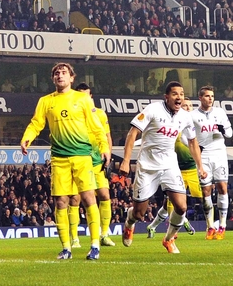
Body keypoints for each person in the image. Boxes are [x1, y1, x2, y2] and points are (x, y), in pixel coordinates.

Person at [20, 63, 107, 261]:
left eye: (64, 73)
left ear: (71, 78)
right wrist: (27, 138)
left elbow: (96, 126)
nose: (60, 75)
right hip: (59, 158)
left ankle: (94, 245)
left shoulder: (83, 99)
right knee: (61, 201)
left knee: (88, 198)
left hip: (82, 156)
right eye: (57, 73)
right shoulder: (45, 101)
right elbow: (36, 123)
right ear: (53, 79)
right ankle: (66, 248)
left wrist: (104, 147)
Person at [119, 81, 206, 254]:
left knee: (181, 207)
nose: (179, 97)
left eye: (181, 94)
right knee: (139, 213)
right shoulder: (153, 110)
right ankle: (129, 223)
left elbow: (192, 142)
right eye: (175, 94)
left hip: (169, 165)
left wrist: (200, 166)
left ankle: (169, 239)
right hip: (147, 166)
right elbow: (133, 133)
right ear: (166, 97)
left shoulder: (185, 116)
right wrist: (126, 161)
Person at [146, 101, 201, 237]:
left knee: (202, 197)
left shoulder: (195, 126)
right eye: (184, 106)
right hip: (174, 168)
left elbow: (197, 146)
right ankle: (174, 227)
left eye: (190, 106)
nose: (187, 108)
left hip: (192, 169)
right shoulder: (172, 125)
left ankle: (154, 226)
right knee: (172, 201)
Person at [72, 83, 115, 247]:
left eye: (87, 95)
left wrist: (108, 155)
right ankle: (74, 238)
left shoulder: (101, 114)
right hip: (79, 162)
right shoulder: (72, 115)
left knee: (104, 195)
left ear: (91, 97)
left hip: (97, 162)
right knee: (75, 199)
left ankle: (104, 234)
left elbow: (107, 136)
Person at [190, 86, 233, 239]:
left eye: (212, 96)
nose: (210, 99)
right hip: (204, 157)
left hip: (220, 154)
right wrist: (195, 149)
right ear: (200, 98)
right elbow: (187, 136)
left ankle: (221, 226)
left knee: (222, 187)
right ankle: (210, 227)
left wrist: (223, 130)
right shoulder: (193, 116)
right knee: (206, 191)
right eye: (207, 96)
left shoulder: (220, 112)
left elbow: (230, 132)